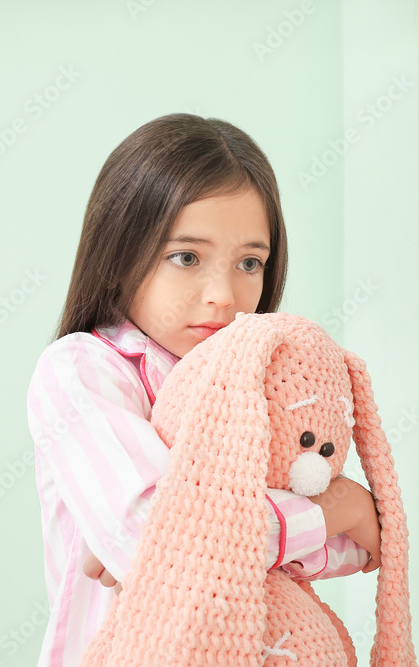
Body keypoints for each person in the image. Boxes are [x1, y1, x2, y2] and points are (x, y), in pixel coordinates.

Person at [26, 113, 381, 667]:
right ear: (120, 257)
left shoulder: (262, 381)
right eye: (186, 257)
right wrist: (335, 507)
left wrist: (212, 534)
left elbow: (358, 549)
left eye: (249, 263)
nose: (223, 294)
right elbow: (156, 544)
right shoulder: (83, 372)